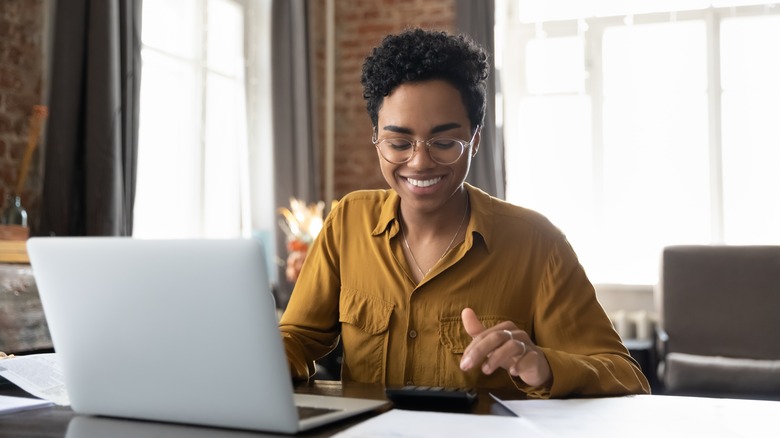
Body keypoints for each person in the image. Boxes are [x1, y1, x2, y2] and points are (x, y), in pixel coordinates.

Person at [279, 28, 650, 398]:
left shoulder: (537, 244)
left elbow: (626, 376)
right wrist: (265, 356)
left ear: (475, 140)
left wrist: (543, 365)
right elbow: (297, 337)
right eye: (398, 143)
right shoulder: (348, 222)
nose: (420, 162)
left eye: (443, 142)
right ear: (376, 138)